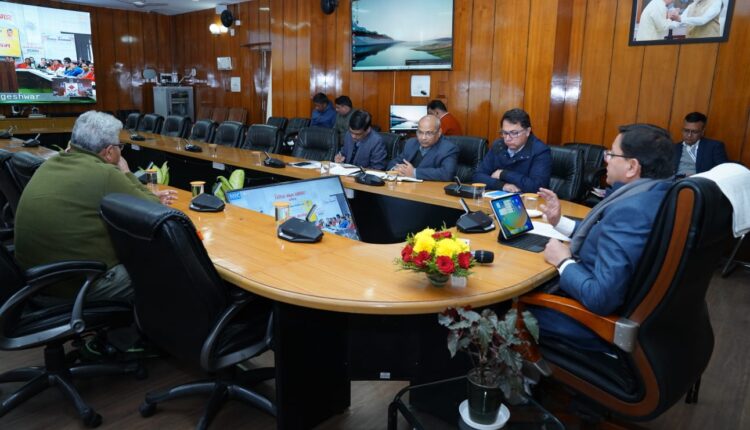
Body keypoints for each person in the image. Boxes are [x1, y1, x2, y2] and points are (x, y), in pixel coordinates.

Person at [531, 124, 675, 351]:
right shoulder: (656, 193)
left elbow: (601, 298)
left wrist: (563, 261)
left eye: (611, 154)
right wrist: (559, 221)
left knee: (507, 306)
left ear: (632, 166)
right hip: (643, 319)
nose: (605, 159)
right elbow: (604, 232)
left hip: (592, 322)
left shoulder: (632, 211)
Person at [14, 111, 178, 302]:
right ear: (109, 152)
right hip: (78, 285)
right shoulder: (104, 173)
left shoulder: (50, 164)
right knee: (171, 271)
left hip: (36, 280)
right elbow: (155, 211)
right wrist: (125, 171)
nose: (121, 151)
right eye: (120, 146)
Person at [471, 108, 551, 193]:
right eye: (505, 133)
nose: (508, 138)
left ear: (527, 131)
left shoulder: (540, 151)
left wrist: (503, 174)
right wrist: (502, 185)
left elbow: (537, 187)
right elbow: (477, 176)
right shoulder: (499, 145)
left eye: (514, 133)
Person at [387, 115, 458, 181]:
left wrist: (414, 173)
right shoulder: (411, 143)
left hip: (429, 189)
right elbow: (393, 163)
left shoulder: (448, 148)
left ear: (439, 132)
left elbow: (447, 173)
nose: (423, 137)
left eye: (429, 133)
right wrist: (396, 169)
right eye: (420, 132)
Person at [673, 111, 728, 177]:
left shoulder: (714, 147)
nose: (689, 135)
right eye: (686, 130)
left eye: (694, 132)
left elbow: (723, 171)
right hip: (675, 181)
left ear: (702, 132)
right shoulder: (674, 148)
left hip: (699, 181)